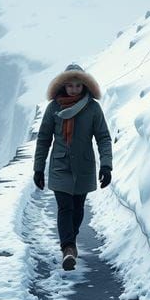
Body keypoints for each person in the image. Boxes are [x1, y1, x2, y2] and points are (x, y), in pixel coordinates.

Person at [33, 63, 113, 270]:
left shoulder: (93, 108)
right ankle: (68, 248)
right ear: (63, 86)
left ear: (85, 85)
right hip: (60, 165)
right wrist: (38, 168)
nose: (74, 89)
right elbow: (44, 139)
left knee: (77, 209)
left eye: (78, 85)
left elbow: (103, 137)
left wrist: (106, 165)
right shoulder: (54, 107)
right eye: (70, 86)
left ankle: (71, 241)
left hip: (84, 166)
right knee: (65, 207)